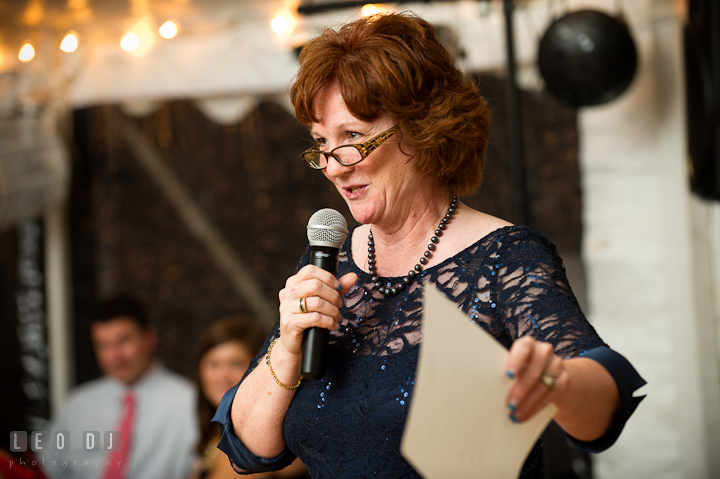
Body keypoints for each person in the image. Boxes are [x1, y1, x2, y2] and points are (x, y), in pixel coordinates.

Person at [213, 12, 645, 478]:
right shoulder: (331, 261)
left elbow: (602, 407)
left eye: (352, 138)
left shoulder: (505, 258)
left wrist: (556, 382)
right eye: (322, 143)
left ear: (422, 130)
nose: (334, 166)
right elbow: (250, 449)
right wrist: (286, 348)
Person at [44, 295, 198, 479]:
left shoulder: (189, 402)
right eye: (103, 346)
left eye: (124, 341)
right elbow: (49, 470)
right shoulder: (78, 404)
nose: (115, 356)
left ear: (149, 338)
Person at [191, 316, 309, 479]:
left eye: (235, 363)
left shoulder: (261, 436)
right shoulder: (217, 430)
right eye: (214, 364)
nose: (222, 376)